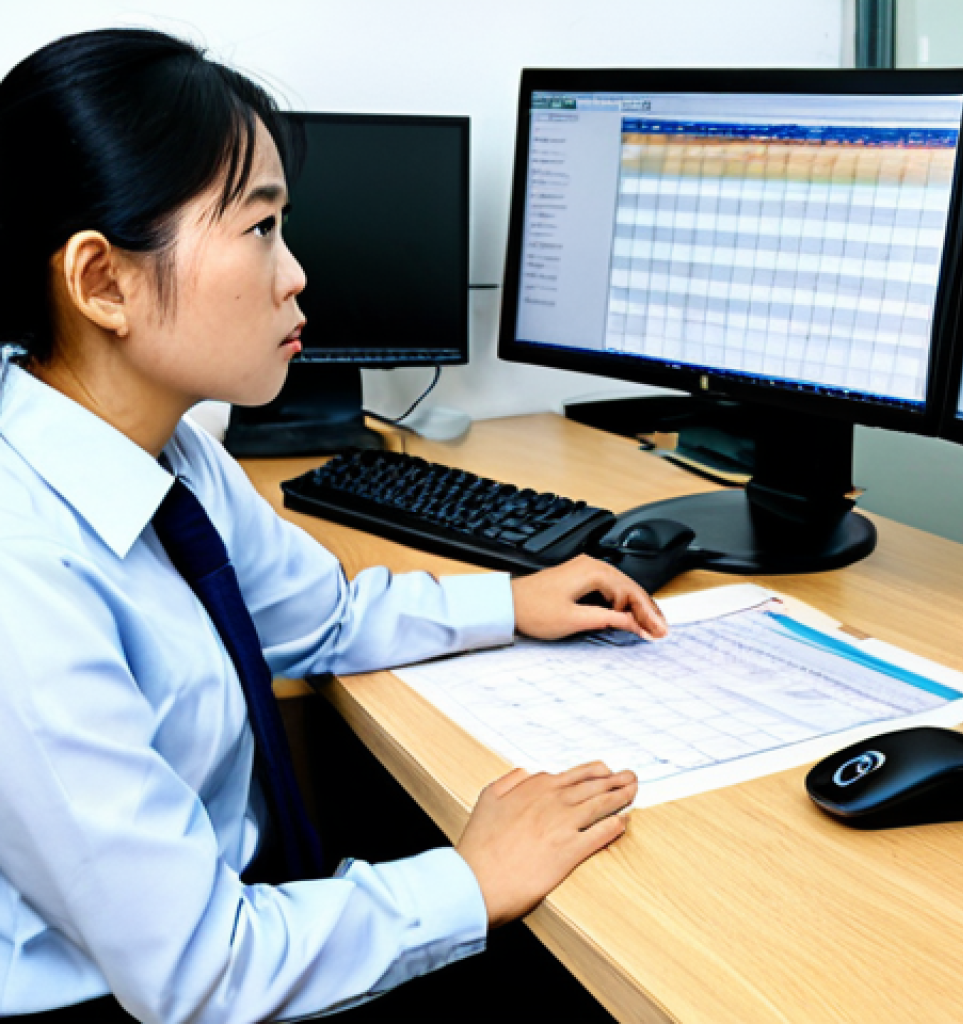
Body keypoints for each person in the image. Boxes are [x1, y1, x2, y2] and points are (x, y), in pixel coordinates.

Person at [0, 28, 667, 1022]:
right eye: (260, 228)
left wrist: (513, 600)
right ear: (102, 282)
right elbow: (199, 973)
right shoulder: (25, 570)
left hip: (234, 928)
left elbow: (321, 617)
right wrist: (469, 877)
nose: (296, 273)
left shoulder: (168, 452)